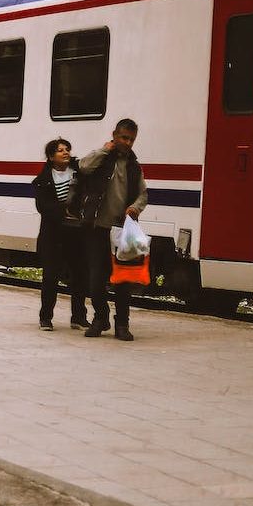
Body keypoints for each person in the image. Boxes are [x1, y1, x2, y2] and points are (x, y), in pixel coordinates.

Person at [74, 119, 148, 342]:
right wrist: (104, 150)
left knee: (123, 280)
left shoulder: (135, 167)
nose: (127, 142)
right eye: (124, 137)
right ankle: (100, 317)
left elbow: (143, 194)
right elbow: (83, 166)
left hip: (122, 230)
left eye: (131, 139)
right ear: (114, 135)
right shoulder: (103, 159)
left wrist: (135, 208)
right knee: (96, 279)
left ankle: (122, 324)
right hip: (97, 227)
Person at [32, 138, 88, 331]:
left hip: (76, 232)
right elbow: (42, 206)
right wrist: (63, 210)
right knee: (50, 277)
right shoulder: (43, 179)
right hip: (53, 233)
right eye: (60, 150)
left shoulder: (79, 173)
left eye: (67, 149)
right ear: (50, 156)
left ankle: (78, 317)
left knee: (80, 275)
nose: (65, 153)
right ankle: (45, 317)